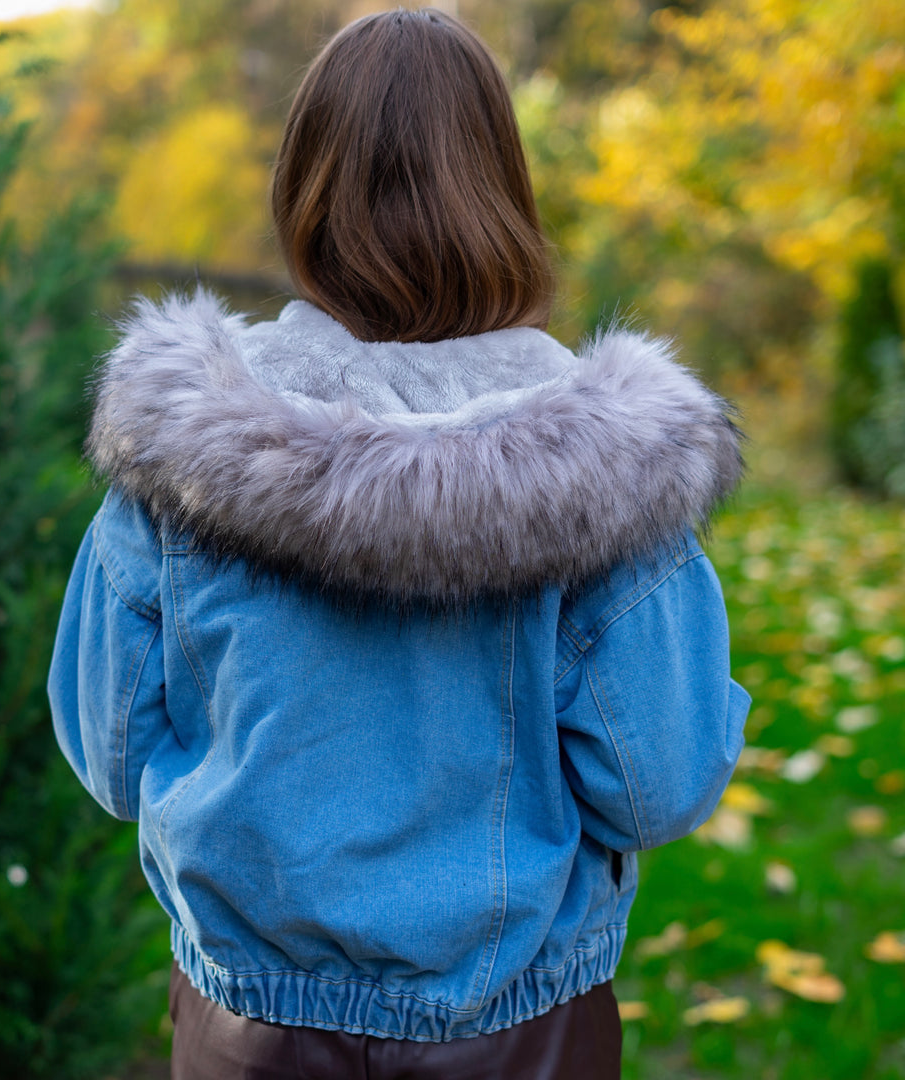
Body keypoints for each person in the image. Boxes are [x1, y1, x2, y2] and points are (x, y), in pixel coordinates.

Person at [48, 8, 750, 1078]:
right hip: (521, 1026)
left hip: (254, 1029)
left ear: (305, 190)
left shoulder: (183, 460)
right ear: (503, 191)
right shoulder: (611, 472)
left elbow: (108, 754)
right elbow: (660, 784)